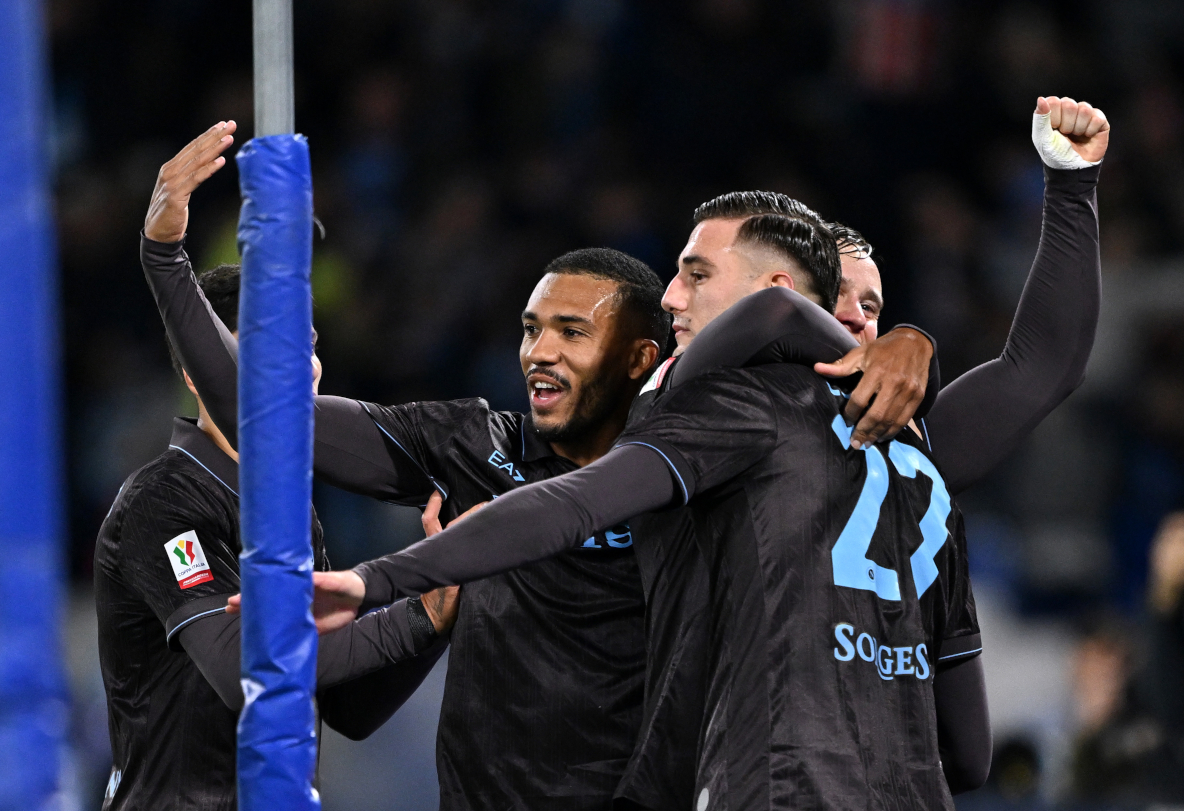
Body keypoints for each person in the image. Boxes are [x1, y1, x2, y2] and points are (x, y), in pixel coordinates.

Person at [310, 93, 1110, 808]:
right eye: (844, 305)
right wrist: (913, 334)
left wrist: (380, 576)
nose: (861, 325)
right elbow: (963, 751)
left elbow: (1037, 366)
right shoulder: (809, 418)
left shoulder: (773, 418)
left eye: (876, 307)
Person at [144, 123, 936, 810]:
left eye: (570, 331)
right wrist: (165, 257)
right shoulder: (472, 446)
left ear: (640, 358)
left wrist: (903, 341)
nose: (540, 352)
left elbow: (812, 327)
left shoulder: (710, 463)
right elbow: (272, 419)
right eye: (530, 329)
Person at [94, 261, 458, 810]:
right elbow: (247, 676)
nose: (306, 366)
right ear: (198, 370)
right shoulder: (162, 500)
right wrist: (408, 614)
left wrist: (432, 610)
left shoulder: (287, 509)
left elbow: (345, 708)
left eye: (308, 343)